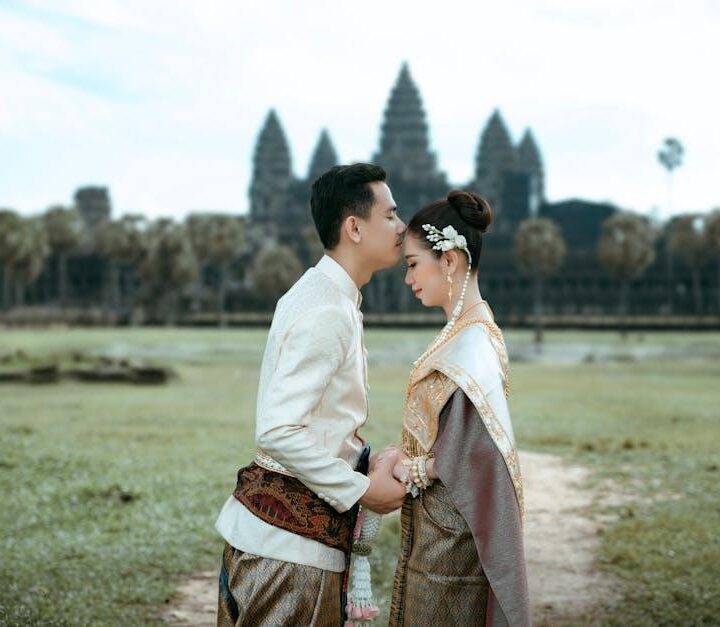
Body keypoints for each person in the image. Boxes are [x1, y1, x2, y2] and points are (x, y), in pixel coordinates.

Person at [214, 163, 408, 627]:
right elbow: (278, 429)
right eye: (391, 216)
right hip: (290, 560)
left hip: (277, 547)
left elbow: (318, 420)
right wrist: (363, 490)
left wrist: (363, 457)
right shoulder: (328, 310)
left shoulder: (319, 295)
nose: (402, 228)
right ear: (354, 228)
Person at [387, 190, 531, 626]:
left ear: (449, 260)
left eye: (413, 264)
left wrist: (412, 469)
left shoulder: (474, 343)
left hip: (454, 541)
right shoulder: (463, 334)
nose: (409, 278)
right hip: (438, 526)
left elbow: (476, 453)